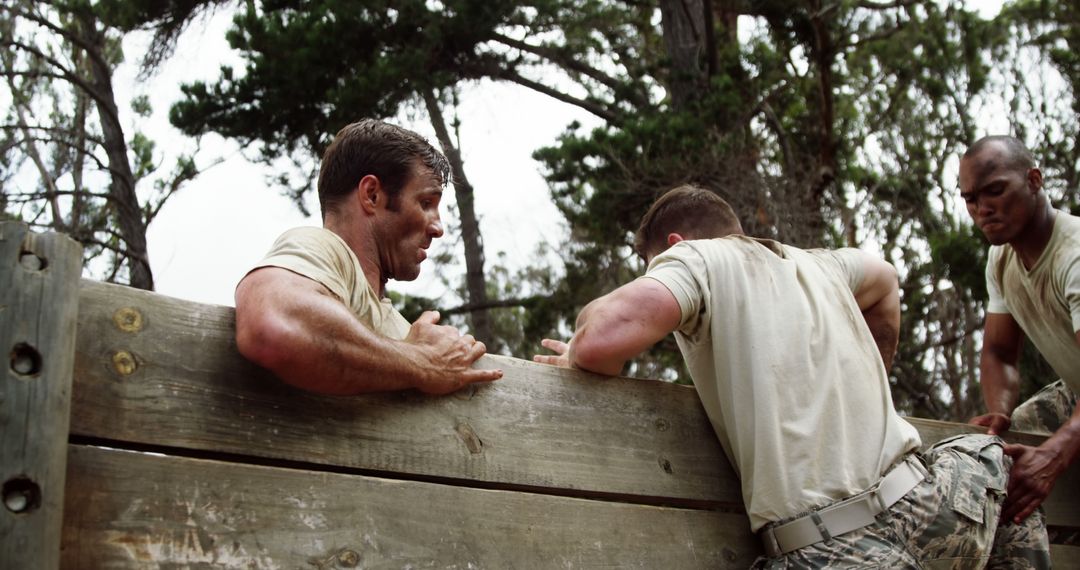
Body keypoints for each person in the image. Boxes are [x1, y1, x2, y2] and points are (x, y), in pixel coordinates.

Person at [535, 185, 1049, 567]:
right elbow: (887, 279)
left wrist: (575, 351)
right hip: (933, 507)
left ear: (672, 244)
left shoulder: (695, 259)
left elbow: (604, 338)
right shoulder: (822, 265)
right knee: (993, 463)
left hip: (836, 550)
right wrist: (865, 381)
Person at [234, 119, 502, 395]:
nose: (438, 228)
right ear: (372, 195)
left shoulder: (404, 334)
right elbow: (271, 327)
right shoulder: (320, 247)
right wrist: (423, 364)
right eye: (425, 203)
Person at [962, 135, 1080, 526]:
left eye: (995, 191)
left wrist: (1055, 454)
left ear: (1033, 180)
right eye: (970, 199)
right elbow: (999, 354)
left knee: (1049, 458)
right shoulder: (1001, 260)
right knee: (1004, 448)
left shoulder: (1074, 256)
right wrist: (999, 409)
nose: (982, 209)